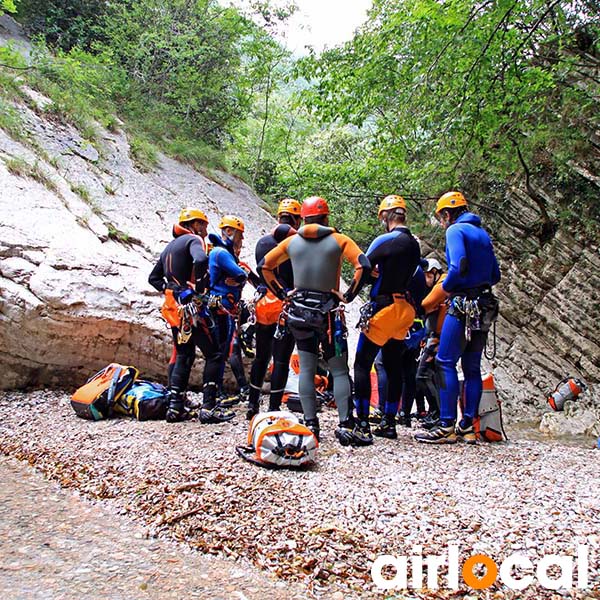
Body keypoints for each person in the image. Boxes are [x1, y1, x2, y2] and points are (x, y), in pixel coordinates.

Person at [260, 196, 371, 445]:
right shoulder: (339, 240)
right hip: (329, 315)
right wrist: (349, 295)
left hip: (299, 312)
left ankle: (311, 424)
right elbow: (363, 264)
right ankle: (345, 425)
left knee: (307, 370)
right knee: (340, 370)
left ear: (304, 218)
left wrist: (281, 293)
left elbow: (264, 266)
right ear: (326, 217)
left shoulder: (291, 242)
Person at [415, 191, 500, 444]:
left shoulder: (455, 231)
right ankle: (468, 426)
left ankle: (446, 425)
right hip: (485, 304)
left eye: (442, 217)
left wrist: (446, 290)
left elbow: (458, 265)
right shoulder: (483, 235)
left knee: (445, 361)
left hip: (462, 304)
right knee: (472, 367)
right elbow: (495, 275)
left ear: (447, 214)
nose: (442, 222)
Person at [148, 207, 232, 423]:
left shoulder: (169, 248)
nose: (205, 229)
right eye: (203, 224)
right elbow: (201, 259)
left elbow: (154, 278)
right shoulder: (193, 240)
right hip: (192, 308)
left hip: (174, 309)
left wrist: (175, 288)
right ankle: (209, 408)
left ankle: (175, 407)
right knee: (214, 354)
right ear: (194, 224)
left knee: (184, 354)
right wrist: (199, 287)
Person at [353, 195, 421, 441]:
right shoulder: (414, 244)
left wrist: (347, 296)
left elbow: (363, 267)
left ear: (386, 215)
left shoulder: (386, 239)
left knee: (362, 363)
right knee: (393, 365)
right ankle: (389, 423)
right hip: (404, 310)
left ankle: (361, 423)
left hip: (384, 309)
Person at [246, 198, 301, 420]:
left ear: (278, 217)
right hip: (285, 303)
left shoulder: (261, 243)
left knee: (261, 356)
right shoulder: (297, 244)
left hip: (263, 304)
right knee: (281, 359)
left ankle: (252, 403)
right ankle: (274, 407)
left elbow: (262, 272)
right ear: (296, 220)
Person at [206, 215, 251, 410]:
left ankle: (219, 393)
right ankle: (216, 395)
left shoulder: (223, 253)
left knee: (224, 351)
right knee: (221, 352)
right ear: (230, 232)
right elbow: (241, 274)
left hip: (226, 308)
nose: (241, 239)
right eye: (240, 235)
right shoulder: (221, 253)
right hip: (221, 308)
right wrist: (241, 277)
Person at [416, 257, 447, 429]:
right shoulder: (438, 285)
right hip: (435, 336)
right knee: (432, 376)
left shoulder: (443, 282)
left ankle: (438, 413)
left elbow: (425, 304)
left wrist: (426, 307)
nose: (425, 279)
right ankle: (436, 413)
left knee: (423, 375)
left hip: (439, 337)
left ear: (435, 272)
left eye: (428, 275)